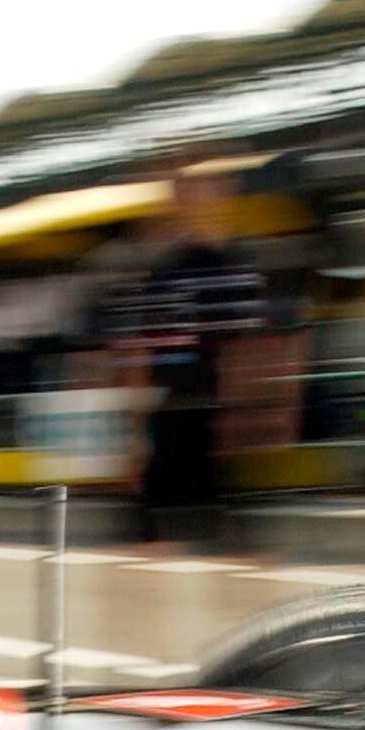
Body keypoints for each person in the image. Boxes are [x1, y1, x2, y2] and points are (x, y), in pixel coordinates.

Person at [102, 160, 268, 551]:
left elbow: (249, 349)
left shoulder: (237, 264)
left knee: (212, 533)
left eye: (204, 189)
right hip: (177, 413)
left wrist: (245, 414)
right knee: (156, 532)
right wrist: (136, 433)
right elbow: (141, 352)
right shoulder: (166, 270)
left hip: (213, 416)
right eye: (185, 192)